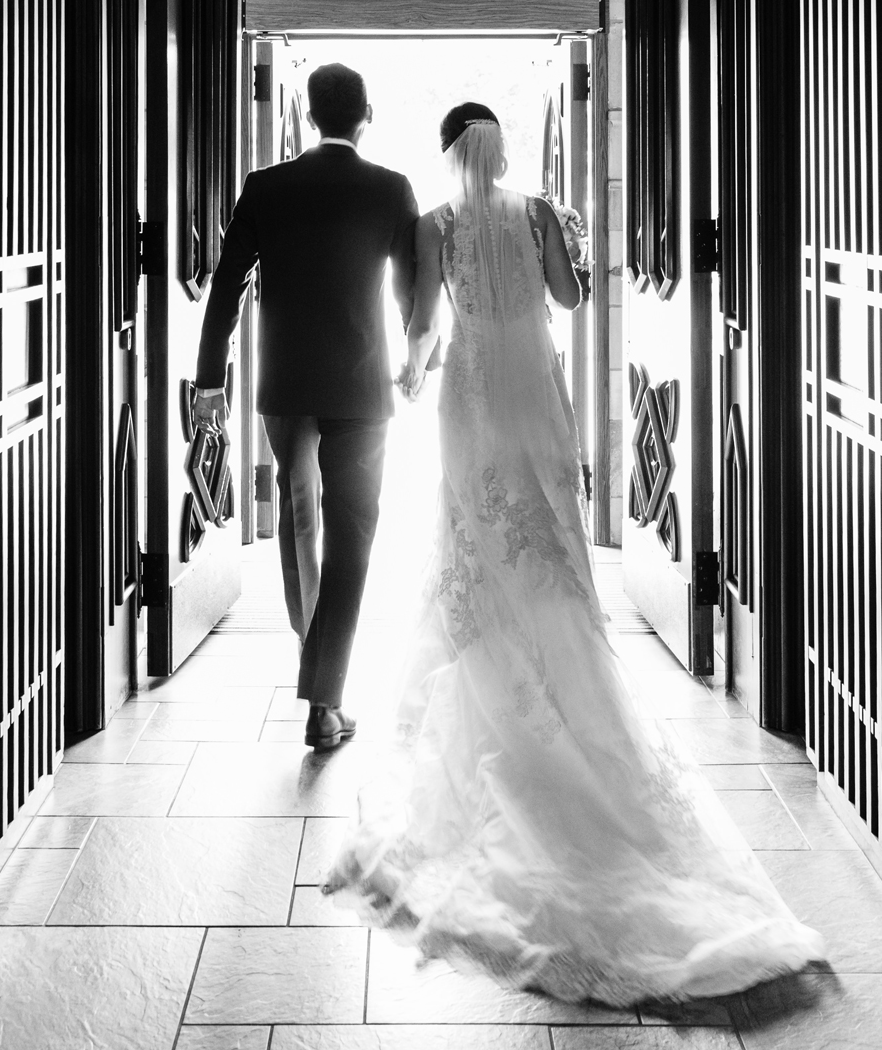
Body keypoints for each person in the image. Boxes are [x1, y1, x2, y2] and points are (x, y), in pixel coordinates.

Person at [323, 102, 826, 1005]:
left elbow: (429, 318)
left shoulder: (438, 224)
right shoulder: (542, 211)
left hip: (472, 401)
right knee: (549, 541)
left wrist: (408, 371)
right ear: (503, 149)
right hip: (537, 396)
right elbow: (570, 297)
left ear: (447, 156)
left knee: (472, 542)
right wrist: (564, 245)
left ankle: (497, 673)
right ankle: (561, 662)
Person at [191, 63, 419, 749]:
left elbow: (226, 287)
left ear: (309, 114)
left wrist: (210, 382)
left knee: (298, 524)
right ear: (367, 112)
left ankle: (316, 674)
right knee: (353, 539)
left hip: (286, 382)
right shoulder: (391, 189)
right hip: (360, 384)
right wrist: (416, 360)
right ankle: (326, 697)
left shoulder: (267, 187)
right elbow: (410, 291)